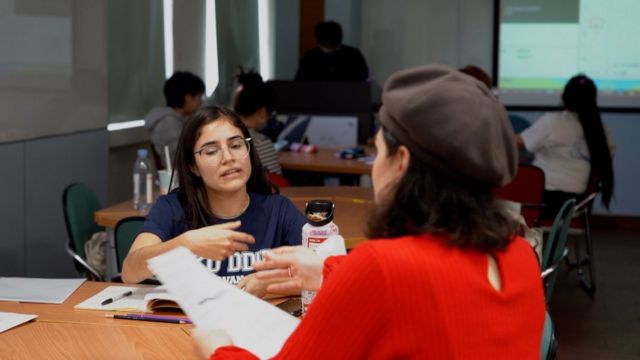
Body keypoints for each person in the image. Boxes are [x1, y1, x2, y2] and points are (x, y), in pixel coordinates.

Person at [194, 65, 546, 359]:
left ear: (401, 163)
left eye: (379, 153)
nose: (375, 166)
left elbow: (395, 279)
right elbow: (435, 284)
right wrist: (329, 270)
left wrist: (218, 348)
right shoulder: (520, 257)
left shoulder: (383, 267)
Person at [123, 105, 307, 298]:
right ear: (193, 167)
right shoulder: (172, 208)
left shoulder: (277, 209)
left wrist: (275, 281)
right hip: (187, 326)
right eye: (211, 151)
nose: (228, 158)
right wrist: (184, 244)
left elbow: (325, 269)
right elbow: (130, 271)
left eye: (236, 146)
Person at [517, 74, 615, 219]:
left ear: (564, 96)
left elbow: (518, 143)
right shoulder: (600, 130)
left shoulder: (552, 122)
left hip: (544, 201)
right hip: (578, 204)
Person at [145, 71, 205, 169]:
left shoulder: (177, 119)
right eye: (199, 96)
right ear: (188, 98)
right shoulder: (169, 123)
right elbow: (181, 158)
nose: (201, 101)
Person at [232, 70, 282, 175]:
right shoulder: (260, 143)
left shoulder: (221, 136)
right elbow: (276, 186)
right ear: (262, 112)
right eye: (270, 114)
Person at [295, 21, 369, 82]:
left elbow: (363, 77)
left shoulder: (353, 54)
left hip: (346, 95)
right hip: (319, 96)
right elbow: (301, 80)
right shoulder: (310, 56)